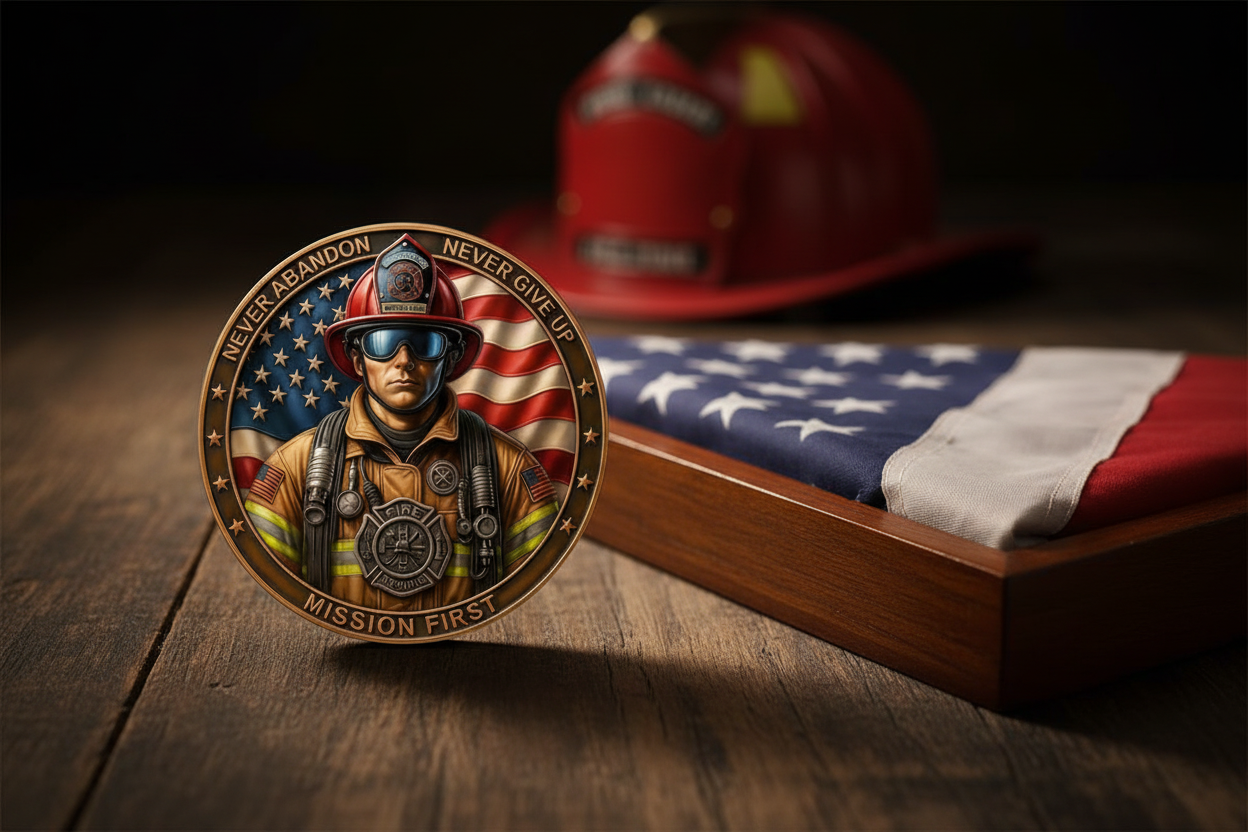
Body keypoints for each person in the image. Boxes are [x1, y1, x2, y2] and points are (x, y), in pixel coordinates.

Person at [245, 234, 558, 611]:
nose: (404, 360)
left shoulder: (509, 469)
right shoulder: (294, 468)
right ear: (358, 359)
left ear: (451, 357)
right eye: (384, 341)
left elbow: (536, 573)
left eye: (424, 343)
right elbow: (268, 574)